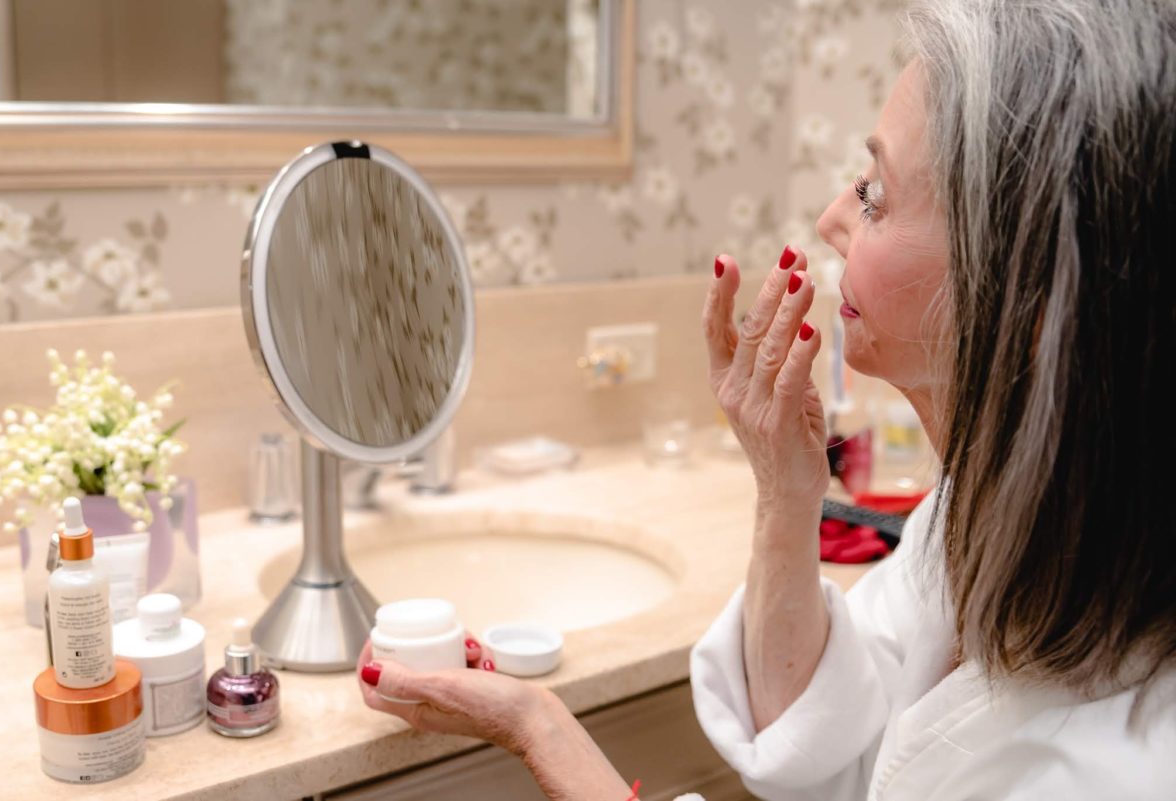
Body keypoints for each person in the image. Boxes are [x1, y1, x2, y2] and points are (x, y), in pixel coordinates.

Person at [355, 1, 1176, 797]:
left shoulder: (1121, 766)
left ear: (1031, 305)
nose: (830, 219)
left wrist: (544, 731)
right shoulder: (984, 533)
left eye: (876, 195)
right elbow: (837, 753)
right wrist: (788, 494)